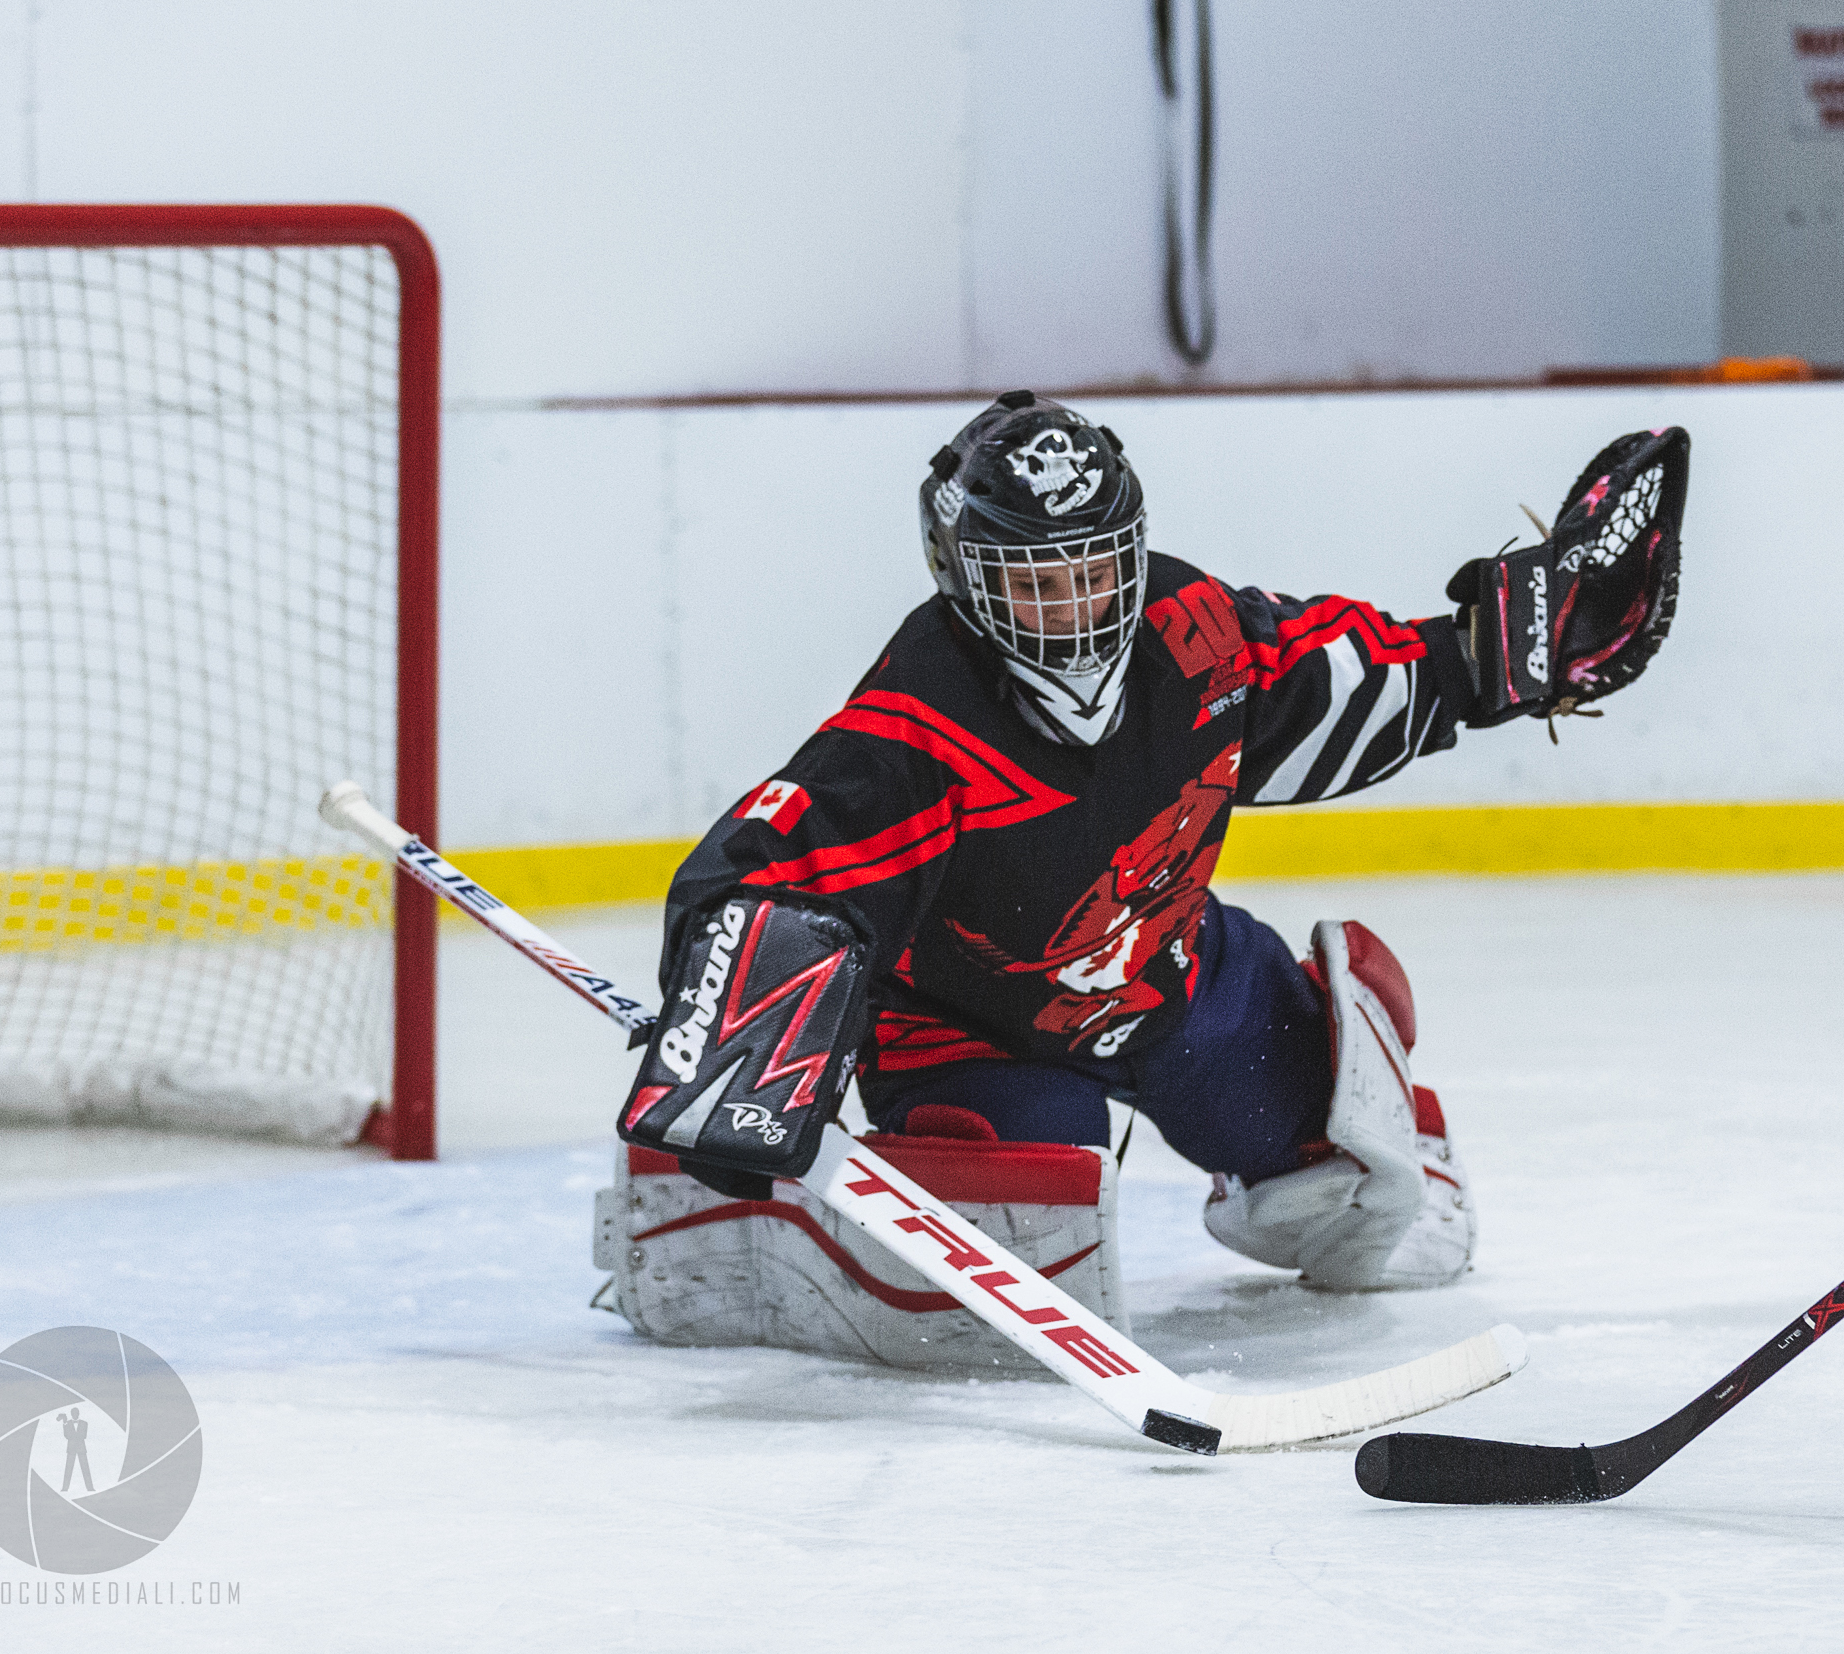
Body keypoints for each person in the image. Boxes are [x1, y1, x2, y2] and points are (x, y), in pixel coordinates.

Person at [594, 392, 1685, 1360]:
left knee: (1359, 1185)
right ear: (963, 579)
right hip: (968, 1027)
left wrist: (1501, 654)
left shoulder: (1192, 635)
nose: (1076, 608)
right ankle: (744, 1231)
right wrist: (737, 1048)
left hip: (1172, 975)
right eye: (1035, 582)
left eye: (1096, 568)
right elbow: (770, 866)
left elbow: (1339, 679)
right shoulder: (921, 722)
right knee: (1024, 1248)